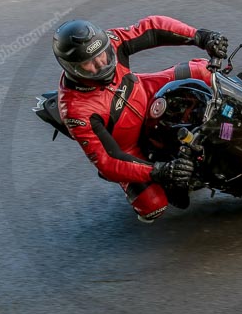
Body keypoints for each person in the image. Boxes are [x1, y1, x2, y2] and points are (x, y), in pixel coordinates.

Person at [53, 16, 229, 222]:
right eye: (88, 63)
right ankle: (150, 174)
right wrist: (159, 171)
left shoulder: (110, 41)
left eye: (103, 54)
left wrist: (201, 36)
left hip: (145, 91)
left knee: (203, 72)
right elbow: (108, 161)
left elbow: (152, 28)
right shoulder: (77, 110)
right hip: (128, 146)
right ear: (72, 68)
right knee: (152, 206)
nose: (101, 63)